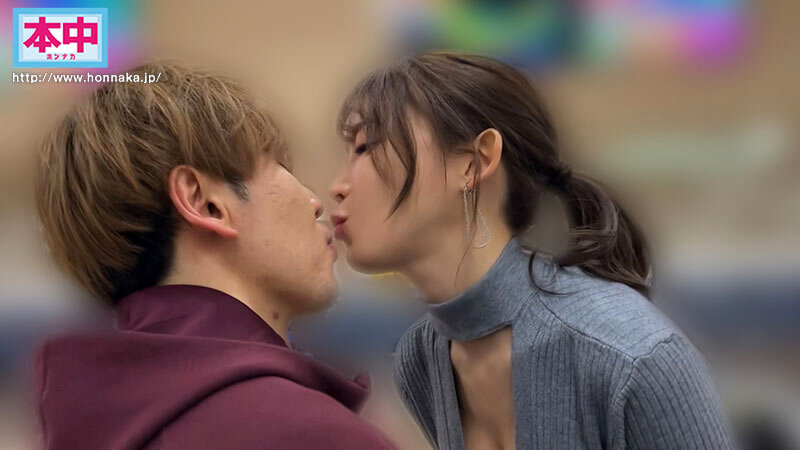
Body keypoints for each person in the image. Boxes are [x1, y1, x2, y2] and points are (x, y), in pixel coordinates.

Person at [329, 51, 736, 449]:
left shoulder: (628, 353)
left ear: (474, 162)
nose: (337, 186)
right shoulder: (421, 359)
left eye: (364, 147)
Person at [33, 62, 394, 450]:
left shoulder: (84, 423)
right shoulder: (311, 434)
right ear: (204, 202)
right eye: (279, 165)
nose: (315, 201)